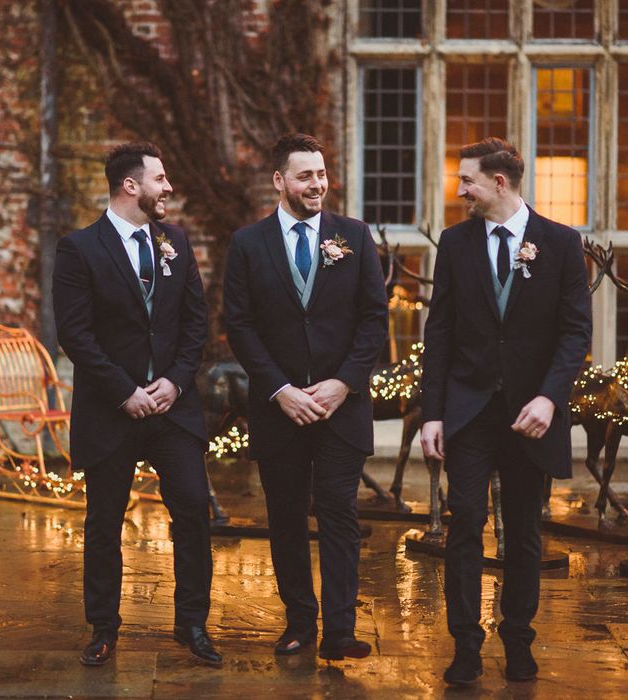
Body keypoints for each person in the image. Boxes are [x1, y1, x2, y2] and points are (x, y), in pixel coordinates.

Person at [420, 137, 591, 686]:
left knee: (523, 533)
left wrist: (549, 396)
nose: (460, 190)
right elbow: (439, 332)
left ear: (498, 182)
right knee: (464, 523)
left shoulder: (561, 243)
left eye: (466, 180)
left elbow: (574, 333)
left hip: (530, 413)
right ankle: (466, 646)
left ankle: (518, 640)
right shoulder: (455, 242)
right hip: (468, 413)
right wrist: (432, 414)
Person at [52, 142, 221, 668]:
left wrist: (174, 381)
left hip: (173, 410)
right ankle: (103, 627)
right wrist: (124, 391)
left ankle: (192, 622)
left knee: (193, 511)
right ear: (131, 185)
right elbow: (75, 335)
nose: (167, 187)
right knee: (104, 520)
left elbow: (196, 322)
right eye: (160, 179)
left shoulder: (176, 241)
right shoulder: (79, 249)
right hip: (112, 410)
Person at [223, 133, 388, 660]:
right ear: (280, 181)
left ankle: (340, 629)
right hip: (280, 411)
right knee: (287, 515)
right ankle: (299, 622)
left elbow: (373, 320)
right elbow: (240, 326)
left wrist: (343, 383)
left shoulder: (355, 237)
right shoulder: (247, 244)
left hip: (343, 407)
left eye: (321, 174)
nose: (317, 184)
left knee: (338, 509)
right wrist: (279, 390)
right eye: (305, 176)